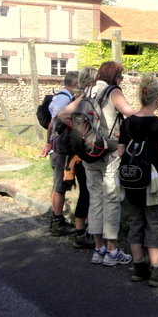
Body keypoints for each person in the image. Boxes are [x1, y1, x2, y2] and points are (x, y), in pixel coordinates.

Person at [58, 61, 135, 266]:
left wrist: (83, 135)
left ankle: (98, 248)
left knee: (95, 198)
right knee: (111, 199)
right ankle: (112, 251)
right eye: (121, 76)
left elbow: (63, 114)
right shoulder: (113, 92)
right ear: (114, 76)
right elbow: (131, 114)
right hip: (110, 152)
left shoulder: (89, 91)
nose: (121, 80)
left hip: (89, 152)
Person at [117, 74, 158, 286]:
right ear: (157, 98)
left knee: (135, 222)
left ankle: (139, 267)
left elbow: (121, 152)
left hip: (131, 180)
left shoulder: (128, 123)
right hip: (153, 181)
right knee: (155, 223)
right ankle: (157, 271)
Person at [40, 71, 79, 237]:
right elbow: (56, 121)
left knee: (59, 185)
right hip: (61, 149)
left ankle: (58, 219)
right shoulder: (64, 98)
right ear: (74, 84)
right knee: (60, 186)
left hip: (57, 147)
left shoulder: (61, 97)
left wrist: (48, 143)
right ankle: (57, 222)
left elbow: (50, 124)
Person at [69, 66, 98, 248]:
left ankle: (84, 229)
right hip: (82, 151)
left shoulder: (78, 97)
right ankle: (81, 233)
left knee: (87, 192)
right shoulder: (84, 98)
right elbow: (64, 115)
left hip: (79, 148)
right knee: (87, 193)